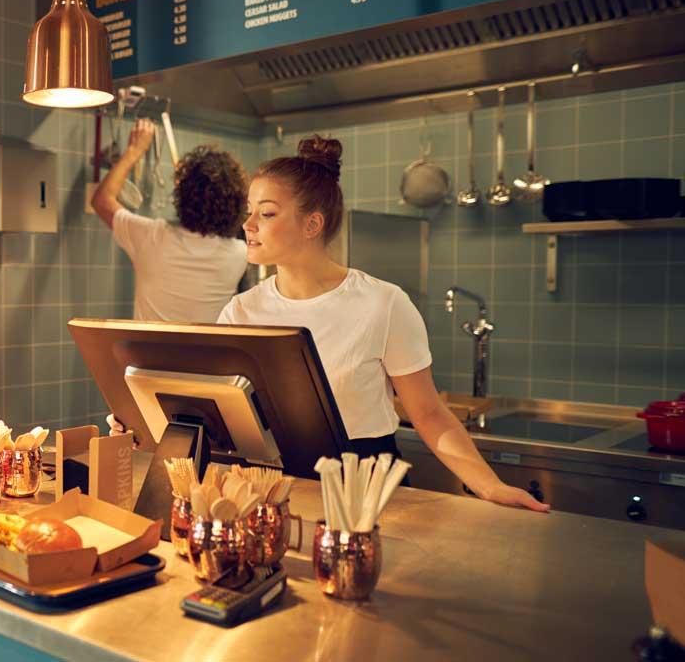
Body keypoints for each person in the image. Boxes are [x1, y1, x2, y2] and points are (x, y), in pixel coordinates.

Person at [216, 136, 548, 512]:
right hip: (271, 486)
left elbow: (427, 413)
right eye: (249, 211)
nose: (248, 224)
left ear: (312, 224)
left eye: (267, 213)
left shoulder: (383, 304)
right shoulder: (238, 313)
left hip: (367, 487)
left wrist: (489, 486)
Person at [91, 118, 249, 323]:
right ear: (236, 205)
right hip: (208, 355)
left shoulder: (153, 236)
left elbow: (101, 200)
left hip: (147, 355)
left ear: (182, 196)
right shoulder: (239, 254)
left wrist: (135, 150)